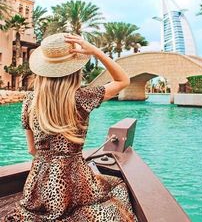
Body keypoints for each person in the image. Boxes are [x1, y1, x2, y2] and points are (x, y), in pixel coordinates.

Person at [4, 33, 137, 222]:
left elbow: (31, 150)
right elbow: (123, 80)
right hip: (76, 181)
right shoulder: (82, 97)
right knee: (117, 186)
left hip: (37, 186)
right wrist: (95, 52)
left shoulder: (29, 102)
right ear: (75, 70)